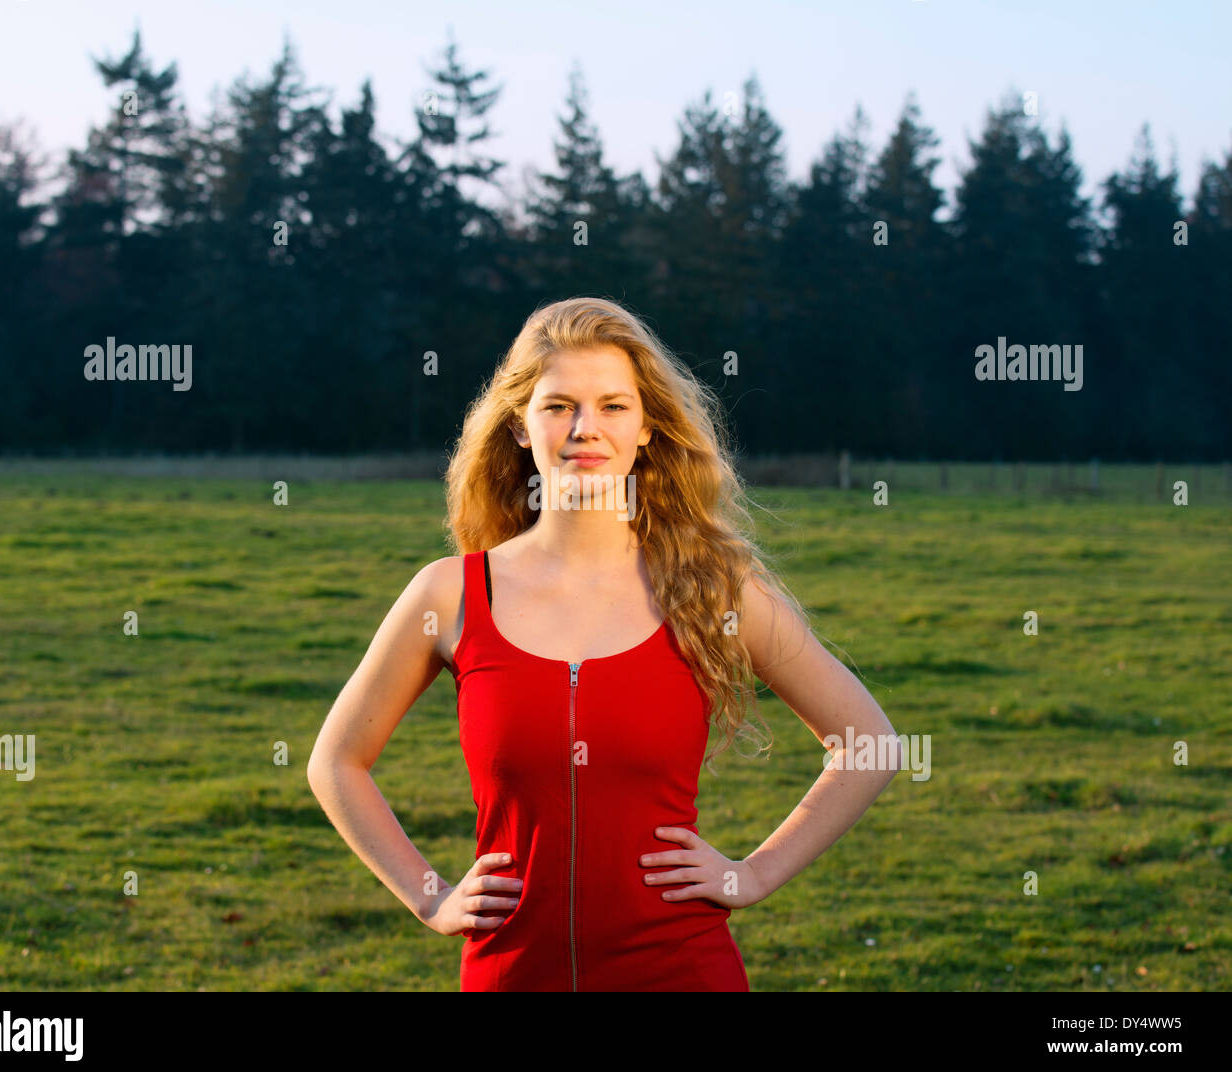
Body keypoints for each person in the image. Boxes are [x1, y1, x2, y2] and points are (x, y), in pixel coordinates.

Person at [307, 297, 901, 991]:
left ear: (647, 427)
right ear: (521, 426)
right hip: (509, 972)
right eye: (559, 405)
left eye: (613, 406)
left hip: (682, 969)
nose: (585, 429)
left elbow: (870, 742)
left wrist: (753, 871)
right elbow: (337, 761)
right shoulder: (451, 595)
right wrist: (431, 893)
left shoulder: (713, 587)